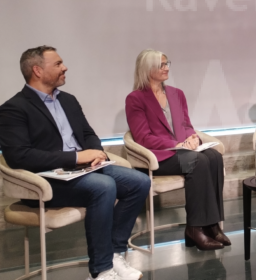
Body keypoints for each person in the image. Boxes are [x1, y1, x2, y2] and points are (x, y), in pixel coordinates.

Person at [0, 46, 150, 280]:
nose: (65, 67)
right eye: (58, 64)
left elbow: (88, 134)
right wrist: (78, 157)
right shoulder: (13, 109)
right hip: (45, 180)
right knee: (104, 186)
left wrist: (97, 153)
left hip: (83, 170)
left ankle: (114, 254)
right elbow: (20, 156)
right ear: (37, 70)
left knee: (140, 182)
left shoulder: (68, 100)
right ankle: (101, 270)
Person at [125, 49, 228, 251]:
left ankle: (212, 224)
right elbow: (143, 137)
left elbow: (186, 125)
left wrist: (192, 138)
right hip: (158, 156)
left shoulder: (176, 93)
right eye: (161, 65)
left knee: (214, 157)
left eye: (167, 63)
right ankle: (195, 228)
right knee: (199, 161)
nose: (166, 68)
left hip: (182, 151)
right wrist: (176, 145)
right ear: (147, 69)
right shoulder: (135, 99)